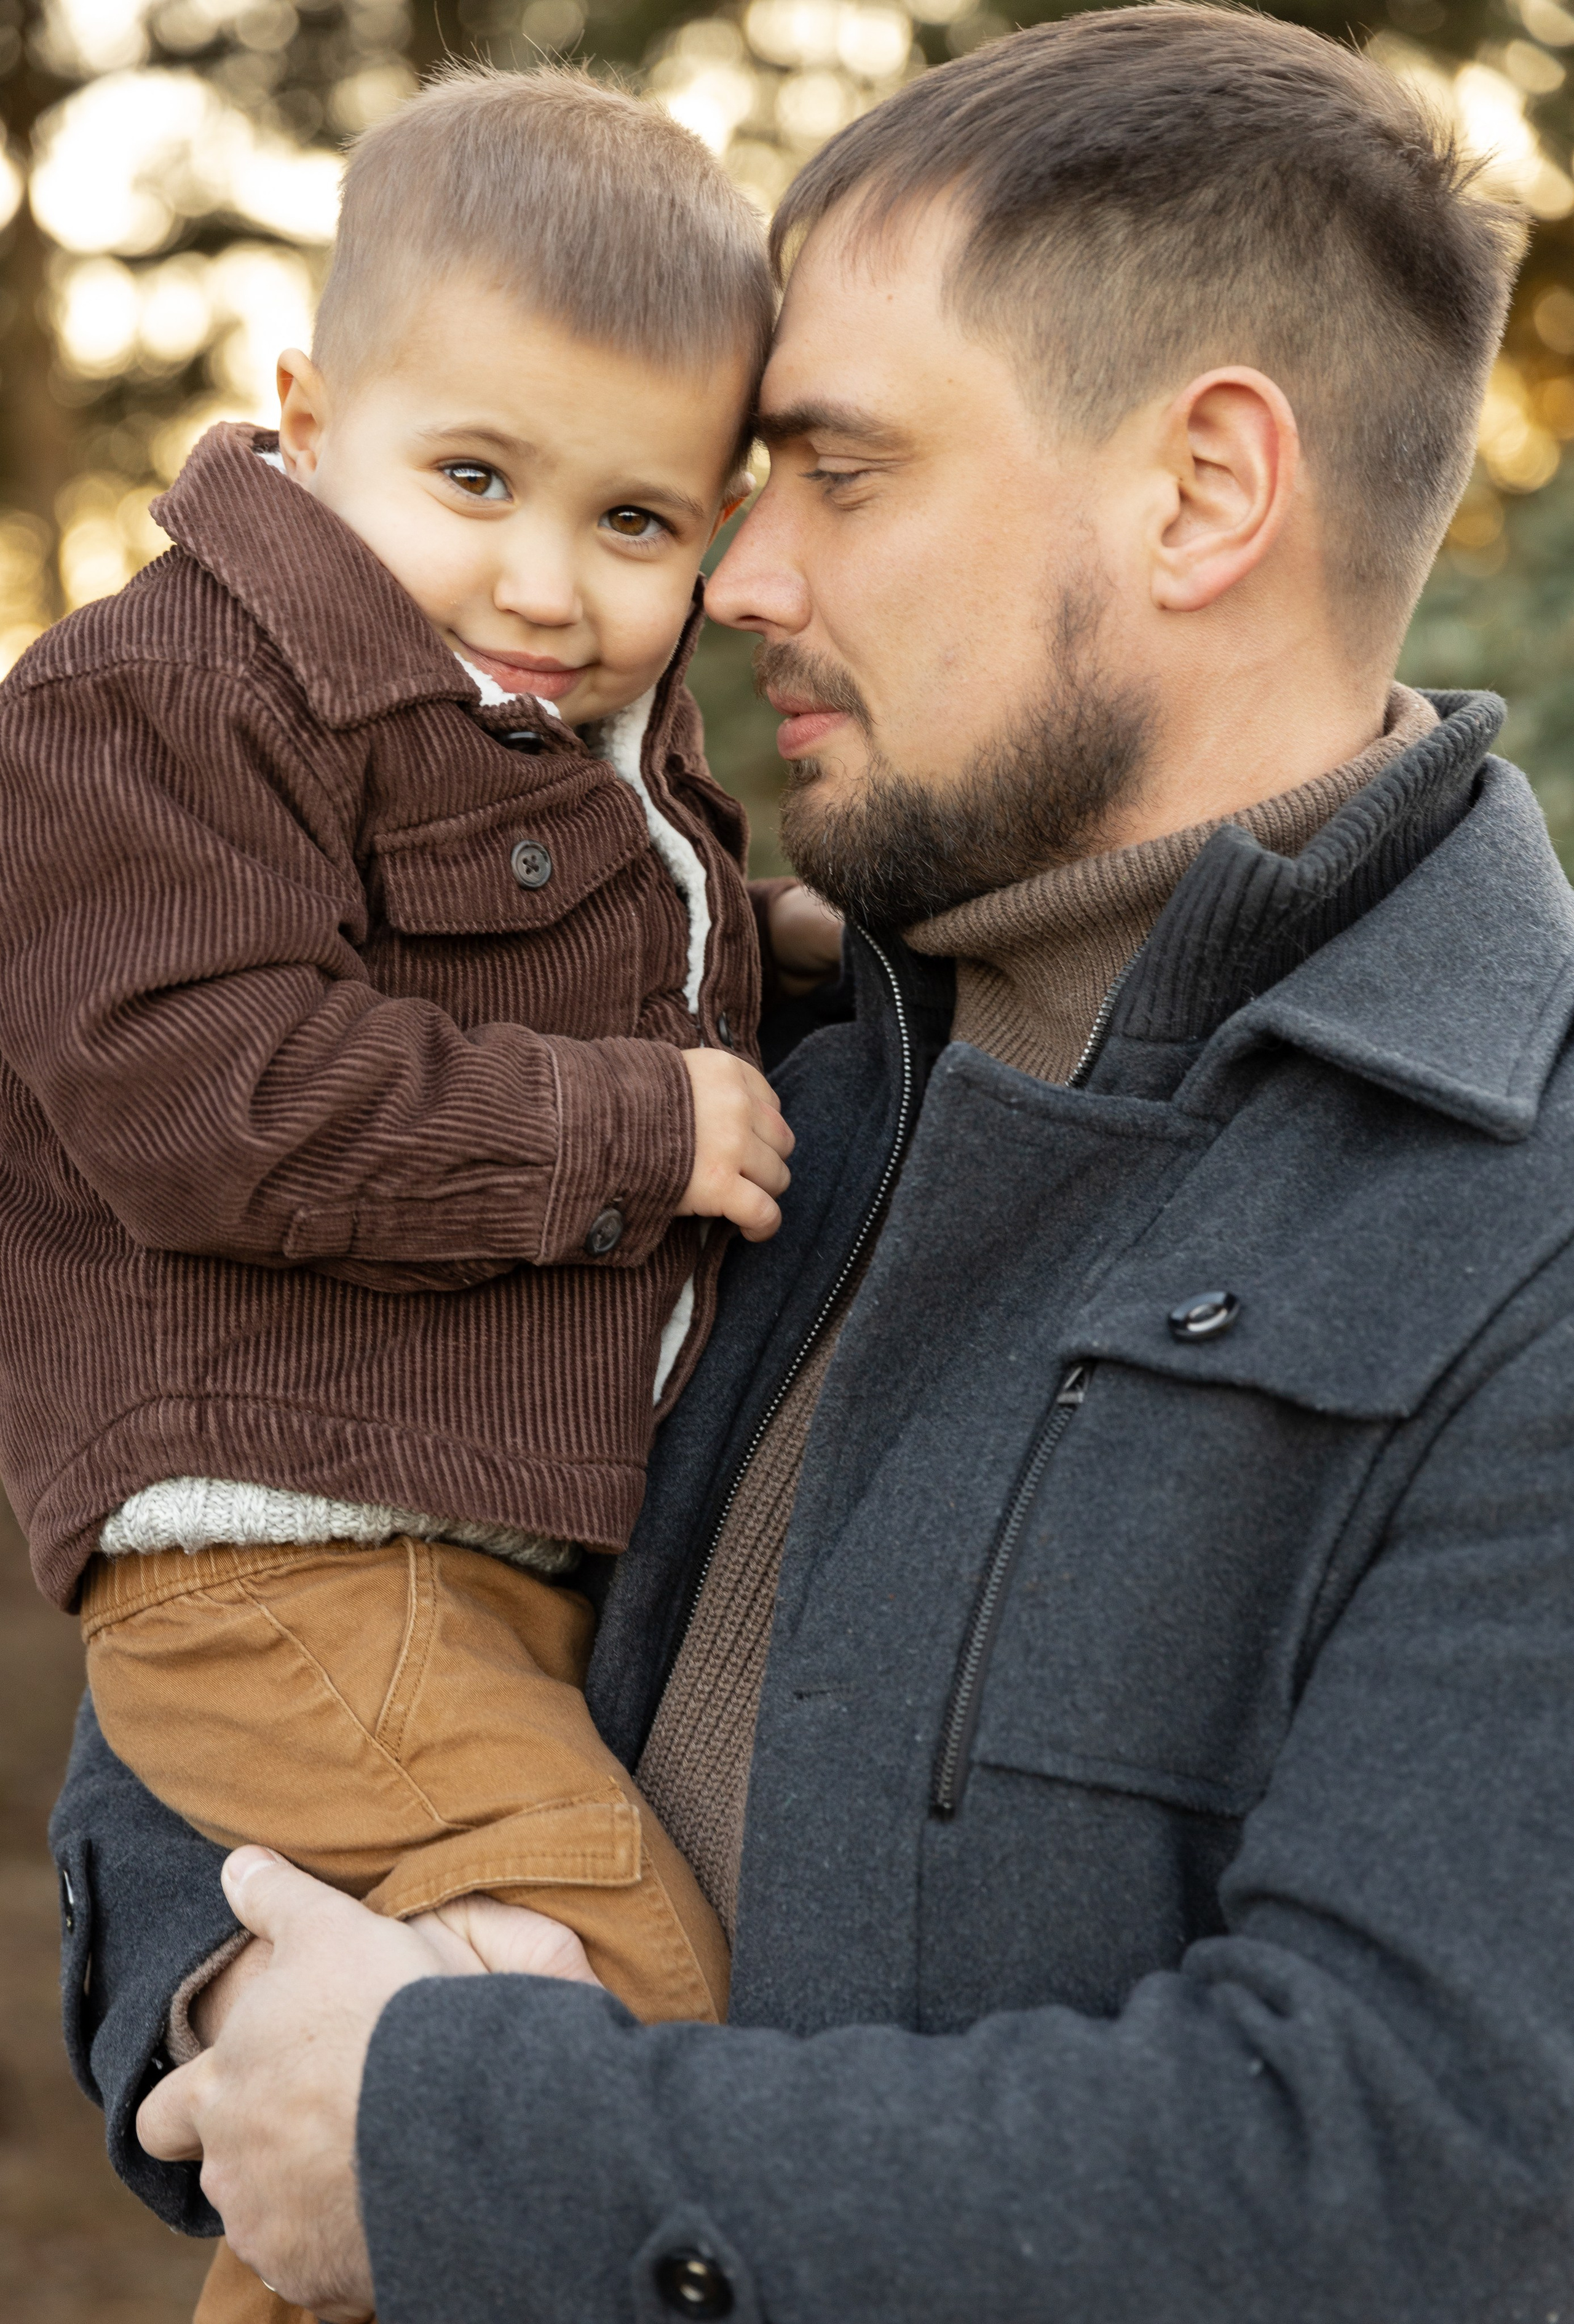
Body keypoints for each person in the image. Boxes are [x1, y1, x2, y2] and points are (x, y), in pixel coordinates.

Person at [50, 6, 1574, 2318]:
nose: (736, 581)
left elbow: (1400, 2169)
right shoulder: (727, 1071)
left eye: (838, 475)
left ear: (1202, 491)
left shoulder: (1520, 1237)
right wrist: (243, 2016)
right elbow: (244, 1565)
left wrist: (446, 2138)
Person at [0, 58, 848, 2324]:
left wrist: (757, 963)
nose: (548, 584)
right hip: (287, 1558)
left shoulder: (529, 728)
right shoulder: (154, 699)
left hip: (443, 1547)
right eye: (474, 477)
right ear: (304, 410)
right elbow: (204, 1090)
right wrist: (627, 1127)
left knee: (415, 2056)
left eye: (639, 524)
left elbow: (503, 947)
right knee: (618, 2004)